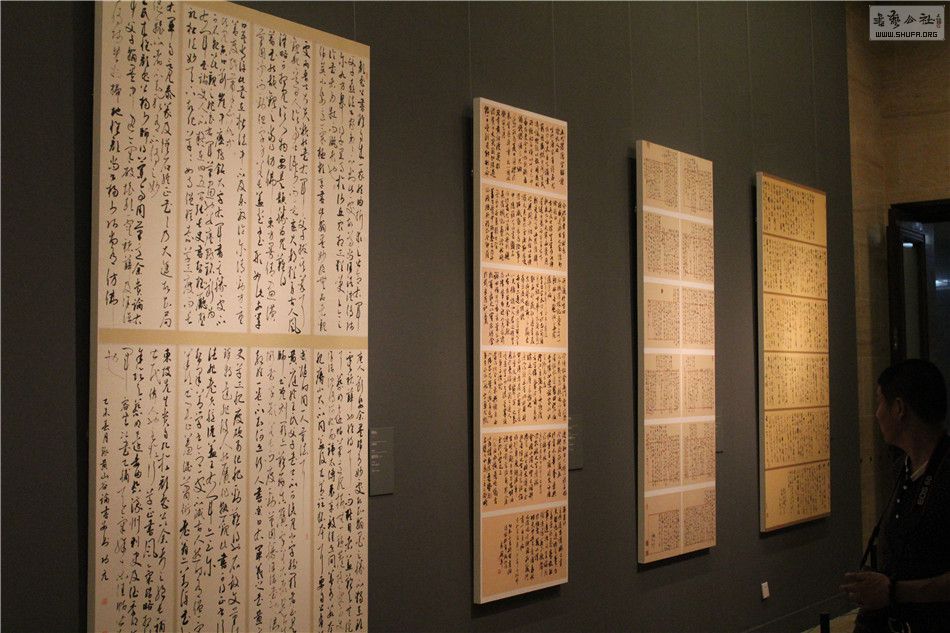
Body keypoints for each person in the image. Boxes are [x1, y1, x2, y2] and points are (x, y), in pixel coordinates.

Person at [843, 359, 950, 633]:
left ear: (899, 408)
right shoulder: (903, 469)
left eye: (880, 402)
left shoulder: (945, 472)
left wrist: (893, 591)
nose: (876, 413)